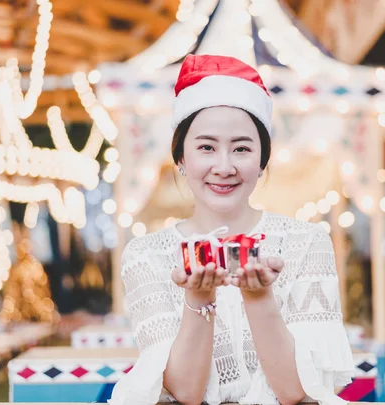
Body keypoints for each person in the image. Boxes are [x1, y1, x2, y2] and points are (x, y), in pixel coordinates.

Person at [110, 54, 354, 405]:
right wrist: (197, 298)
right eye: (206, 147)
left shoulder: (306, 242)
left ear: (261, 161)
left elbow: (294, 392)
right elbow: (187, 393)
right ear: (181, 158)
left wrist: (259, 298)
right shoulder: (147, 255)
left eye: (241, 148)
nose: (223, 167)